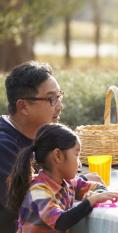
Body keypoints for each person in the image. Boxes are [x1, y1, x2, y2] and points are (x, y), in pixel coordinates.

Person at [0, 61, 102, 233]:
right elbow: (34, 198)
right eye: (51, 99)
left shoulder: (39, 134)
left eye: (59, 97)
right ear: (23, 106)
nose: (60, 106)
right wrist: (76, 182)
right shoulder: (4, 146)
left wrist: (77, 181)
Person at [7, 123, 118, 232]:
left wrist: (98, 193)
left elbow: (96, 186)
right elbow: (61, 221)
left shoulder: (67, 183)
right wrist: (91, 200)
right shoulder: (38, 191)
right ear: (58, 156)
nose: (79, 164)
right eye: (76, 155)